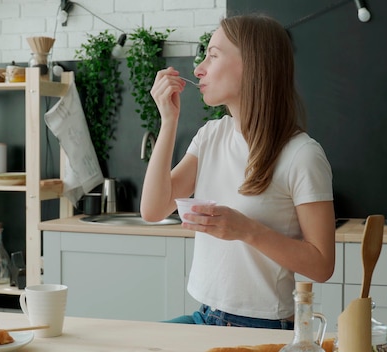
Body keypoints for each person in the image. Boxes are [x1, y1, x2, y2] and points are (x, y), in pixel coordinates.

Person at [140, 13, 336, 329]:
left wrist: (246, 230)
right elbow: (152, 209)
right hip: (206, 317)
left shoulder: (302, 155)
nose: (198, 69)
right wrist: (168, 121)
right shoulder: (211, 136)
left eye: (213, 56)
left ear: (252, 65)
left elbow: (322, 265)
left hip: (264, 327)